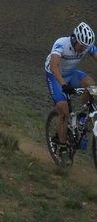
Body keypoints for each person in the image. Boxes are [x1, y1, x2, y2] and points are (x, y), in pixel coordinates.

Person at [45, 21, 97, 153]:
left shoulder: (87, 46)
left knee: (92, 87)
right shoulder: (61, 44)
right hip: (55, 75)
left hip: (71, 73)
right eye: (82, 45)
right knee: (64, 109)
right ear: (75, 39)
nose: (84, 49)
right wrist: (63, 85)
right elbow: (54, 66)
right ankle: (62, 146)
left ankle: (82, 116)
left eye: (87, 46)